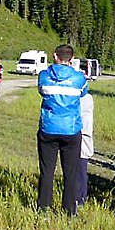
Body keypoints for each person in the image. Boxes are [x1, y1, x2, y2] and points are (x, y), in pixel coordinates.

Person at [37, 44, 89, 216]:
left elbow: (42, 92)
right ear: (72, 59)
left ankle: (44, 208)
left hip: (48, 129)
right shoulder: (79, 78)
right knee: (71, 173)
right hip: (71, 129)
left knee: (47, 171)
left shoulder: (43, 76)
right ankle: (69, 211)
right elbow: (83, 94)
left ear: (54, 56)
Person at [76, 92, 94, 207]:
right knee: (80, 171)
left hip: (81, 138)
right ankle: (80, 197)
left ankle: (80, 199)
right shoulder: (88, 98)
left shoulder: (85, 99)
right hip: (80, 137)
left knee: (80, 172)